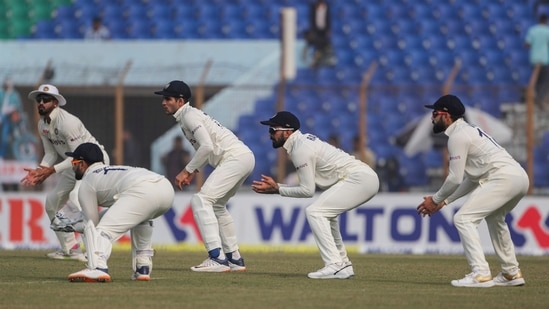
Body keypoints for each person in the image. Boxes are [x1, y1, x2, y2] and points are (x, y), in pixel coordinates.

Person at [416, 94, 528, 288]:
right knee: (495, 219)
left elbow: (454, 178)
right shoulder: (468, 132)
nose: (432, 118)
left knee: (463, 219)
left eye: (435, 113)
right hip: (518, 177)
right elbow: (472, 179)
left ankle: (481, 273)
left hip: (503, 177)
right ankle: (511, 272)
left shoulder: (457, 137)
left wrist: (435, 200)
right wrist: (445, 201)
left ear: (446, 115)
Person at [252, 111, 379, 279]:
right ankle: (343, 264)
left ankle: (334, 264)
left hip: (360, 178)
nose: (270, 135)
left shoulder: (300, 149)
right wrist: (278, 188)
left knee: (315, 212)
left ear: (288, 131)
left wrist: (278, 189)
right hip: (362, 177)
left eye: (273, 130)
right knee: (328, 215)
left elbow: (307, 190)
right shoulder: (301, 143)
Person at [154, 80, 255, 272]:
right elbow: (206, 148)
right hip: (243, 157)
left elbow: (207, 146)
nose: (163, 102)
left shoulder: (189, 116)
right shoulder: (188, 116)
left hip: (235, 158)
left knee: (201, 200)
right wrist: (195, 169)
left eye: (167, 99)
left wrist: (187, 170)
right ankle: (234, 258)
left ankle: (217, 257)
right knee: (216, 206)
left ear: (180, 100)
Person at [58, 142, 174, 282]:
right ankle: (142, 267)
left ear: (82, 164)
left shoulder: (88, 181)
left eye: (74, 162)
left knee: (102, 232)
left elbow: (91, 225)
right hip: (166, 188)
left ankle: (97, 268)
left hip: (142, 190)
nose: (73, 166)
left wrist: (73, 225)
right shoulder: (113, 170)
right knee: (141, 218)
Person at [20, 84, 110, 261]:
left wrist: (50, 171)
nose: (41, 103)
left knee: (78, 199)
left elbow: (79, 156)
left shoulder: (68, 122)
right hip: (74, 165)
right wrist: (39, 172)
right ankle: (70, 248)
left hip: (92, 162)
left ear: (55, 102)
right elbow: (51, 154)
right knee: (52, 203)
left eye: (46, 100)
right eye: (39, 99)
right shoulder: (42, 125)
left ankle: (93, 251)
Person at [525, 14, 549, 110]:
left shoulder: (532, 30)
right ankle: (540, 98)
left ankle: (536, 97)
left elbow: (527, 44)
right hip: (544, 59)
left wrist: (536, 45)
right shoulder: (547, 31)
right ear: (546, 21)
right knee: (545, 80)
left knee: (537, 80)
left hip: (534, 59)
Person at [303, 0, 334, 68]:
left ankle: (322, 60)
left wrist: (328, 30)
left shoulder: (326, 7)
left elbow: (328, 19)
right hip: (316, 31)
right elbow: (312, 19)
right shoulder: (313, 7)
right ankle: (315, 61)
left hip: (324, 31)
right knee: (316, 45)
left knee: (324, 46)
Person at [0, 77, 23, 159]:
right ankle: (2, 155)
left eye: (10, 84)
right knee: (4, 137)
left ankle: (18, 155)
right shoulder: (1, 93)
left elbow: (18, 106)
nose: (8, 86)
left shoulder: (15, 95)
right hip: (3, 117)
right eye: (7, 84)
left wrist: (13, 108)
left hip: (12, 118)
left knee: (13, 137)